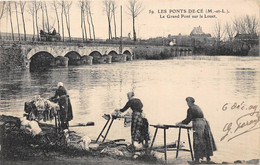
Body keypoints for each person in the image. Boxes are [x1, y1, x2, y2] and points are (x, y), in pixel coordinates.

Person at [176, 97, 216, 164]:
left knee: (197, 142)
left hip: (199, 125)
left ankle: (197, 160)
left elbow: (188, 119)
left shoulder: (190, 109)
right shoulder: (197, 107)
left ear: (189, 102)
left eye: (187, 102)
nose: (187, 104)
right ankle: (208, 159)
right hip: (204, 124)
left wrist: (179, 123)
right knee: (206, 141)